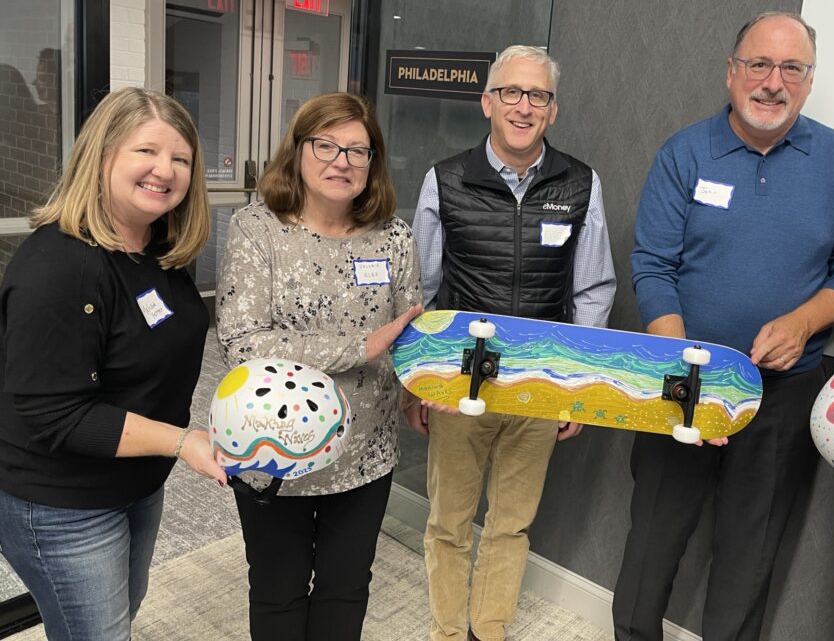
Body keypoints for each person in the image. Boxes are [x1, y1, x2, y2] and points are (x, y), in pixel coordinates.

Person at [614, 11, 834, 641]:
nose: (773, 82)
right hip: (683, 382)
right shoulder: (685, 153)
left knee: (750, 550)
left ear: (810, 81)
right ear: (732, 72)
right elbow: (653, 266)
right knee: (653, 537)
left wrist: (803, 320)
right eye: (759, 64)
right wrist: (687, 379)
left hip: (785, 392)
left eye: (792, 68)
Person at [0, 87, 225, 641]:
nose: (164, 170)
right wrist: (181, 440)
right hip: (61, 499)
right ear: (102, 156)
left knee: (118, 617)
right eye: (145, 151)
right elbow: (55, 414)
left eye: (180, 159)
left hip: (135, 480)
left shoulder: (159, 250)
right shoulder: (60, 266)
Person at [410, 44, 616, 641]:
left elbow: (594, 288)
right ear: (487, 103)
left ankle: (488, 630)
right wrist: (418, 381)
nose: (524, 106)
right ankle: (449, 632)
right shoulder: (445, 180)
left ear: (552, 110)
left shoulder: (581, 183)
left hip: (538, 384)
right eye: (511, 93)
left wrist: (573, 390)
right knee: (449, 522)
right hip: (457, 382)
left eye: (539, 96)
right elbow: (420, 290)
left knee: (512, 524)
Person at [216, 92, 422, 640]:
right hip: (273, 452)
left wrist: (419, 388)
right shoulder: (257, 229)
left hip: (367, 452)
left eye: (359, 150)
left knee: (346, 586)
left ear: (373, 163)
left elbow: (407, 335)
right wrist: (362, 345)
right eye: (327, 145)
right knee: (278, 592)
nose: (343, 161)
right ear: (299, 150)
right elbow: (241, 341)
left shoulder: (395, 237)